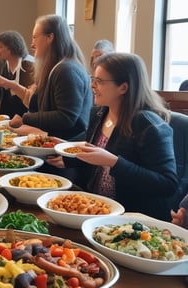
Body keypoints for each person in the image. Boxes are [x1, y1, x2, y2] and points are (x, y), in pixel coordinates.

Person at [46, 53, 178, 221]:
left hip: (131, 217)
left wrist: (114, 162)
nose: (92, 85)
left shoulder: (150, 126)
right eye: (93, 78)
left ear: (123, 88)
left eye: (100, 81)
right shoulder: (100, 113)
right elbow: (98, 160)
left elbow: (167, 184)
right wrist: (68, 153)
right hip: (94, 207)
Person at [8, 15, 92, 141]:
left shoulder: (66, 70)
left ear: (50, 37)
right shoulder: (57, 67)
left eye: (35, 37)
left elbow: (66, 117)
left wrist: (25, 118)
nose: (32, 44)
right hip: (52, 143)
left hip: (63, 149)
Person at [0, 30, 35, 118]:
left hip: (24, 118)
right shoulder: (1, 65)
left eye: (0, 47)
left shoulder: (29, 66)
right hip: (6, 116)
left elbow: (32, 99)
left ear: (12, 47)